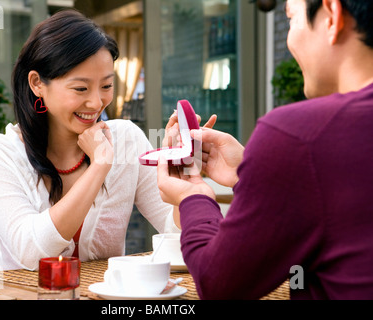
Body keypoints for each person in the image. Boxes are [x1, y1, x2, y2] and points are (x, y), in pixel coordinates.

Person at [157, 0, 373, 299]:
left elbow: (219, 283)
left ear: (331, 16)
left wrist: (193, 197)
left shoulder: (300, 134)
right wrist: (252, 174)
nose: (289, 38)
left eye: (291, 18)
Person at [0, 10, 181, 271]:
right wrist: (99, 167)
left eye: (106, 86)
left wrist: (181, 179)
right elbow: (31, 252)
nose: (97, 103)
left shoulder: (127, 139)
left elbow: (180, 238)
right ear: (37, 83)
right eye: (80, 88)